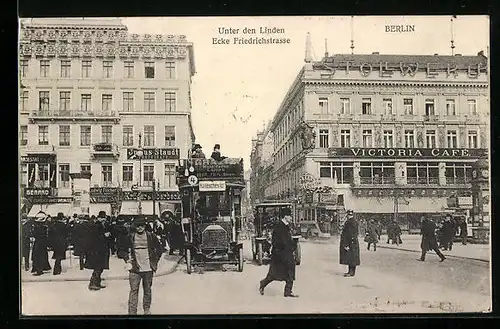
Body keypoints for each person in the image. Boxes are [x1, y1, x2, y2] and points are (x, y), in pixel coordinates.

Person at [117, 216, 163, 315]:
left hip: (148, 268)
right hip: (134, 268)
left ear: (145, 226)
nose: (140, 227)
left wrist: (155, 261)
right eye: (138, 226)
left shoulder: (151, 236)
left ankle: (146, 310)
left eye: (142, 225)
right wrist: (126, 259)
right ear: (135, 227)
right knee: (134, 290)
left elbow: (159, 249)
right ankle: (132, 313)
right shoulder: (130, 237)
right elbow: (120, 250)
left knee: (147, 290)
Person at [259, 207, 298, 298]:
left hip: (287, 253)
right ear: (285, 216)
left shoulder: (287, 226)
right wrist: (280, 252)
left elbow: (288, 239)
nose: (291, 218)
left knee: (290, 272)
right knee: (274, 274)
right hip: (280, 254)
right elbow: (276, 242)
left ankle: (288, 291)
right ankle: (263, 283)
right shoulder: (279, 226)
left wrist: (292, 246)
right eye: (289, 216)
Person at [85, 212, 112, 291]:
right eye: (102, 218)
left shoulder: (102, 225)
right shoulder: (96, 226)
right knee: (98, 267)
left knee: (100, 267)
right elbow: (94, 238)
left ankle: (97, 283)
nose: (103, 219)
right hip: (97, 250)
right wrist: (104, 235)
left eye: (104, 218)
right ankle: (93, 283)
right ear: (99, 218)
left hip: (102, 249)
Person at [339, 210, 360, 277]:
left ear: (348, 215)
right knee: (352, 257)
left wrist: (347, 244)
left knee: (351, 257)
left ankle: (351, 272)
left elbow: (350, 234)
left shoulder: (350, 222)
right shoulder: (353, 222)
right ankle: (351, 272)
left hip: (351, 243)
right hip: (353, 243)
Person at [31, 212, 51, 276]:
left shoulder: (37, 227)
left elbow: (34, 234)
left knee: (37, 256)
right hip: (43, 243)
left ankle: (39, 270)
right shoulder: (45, 227)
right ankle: (44, 267)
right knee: (43, 255)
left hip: (38, 243)